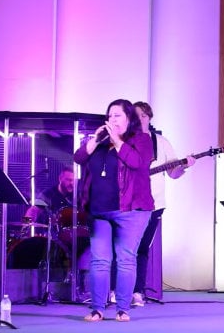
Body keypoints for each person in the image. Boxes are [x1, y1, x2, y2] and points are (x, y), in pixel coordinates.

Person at [73, 99, 154, 322]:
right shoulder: (99, 142)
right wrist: (95, 140)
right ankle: (97, 309)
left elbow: (137, 163)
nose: (112, 119)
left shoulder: (142, 139)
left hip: (131, 210)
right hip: (99, 211)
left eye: (117, 115)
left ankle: (122, 309)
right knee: (99, 261)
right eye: (109, 115)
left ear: (130, 119)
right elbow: (79, 158)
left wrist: (117, 140)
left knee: (126, 259)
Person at [115, 101, 194, 307]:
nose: (139, 119)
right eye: (135, 115)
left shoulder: (160, 142)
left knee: (142, 248)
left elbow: (173, 173)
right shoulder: (125, 140)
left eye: (143, 115)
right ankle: (116, 289)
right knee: (122, 247)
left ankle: (137, 291)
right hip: (127, 202)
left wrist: (185, 165)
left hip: (154, 203)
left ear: (149, 117)